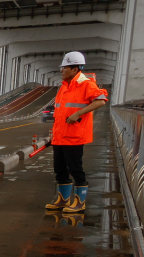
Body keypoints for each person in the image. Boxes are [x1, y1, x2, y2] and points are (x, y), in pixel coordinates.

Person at [45, 51, 108, 215]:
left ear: (75, 69)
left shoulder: (86, 84)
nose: (61, 70)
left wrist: (78, 114)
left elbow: (101, 100)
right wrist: (53, 135)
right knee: (60, 169)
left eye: (64, 68)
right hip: (60, 136)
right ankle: (63, 199)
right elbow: (60, 114)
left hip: (74, 136)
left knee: (75, 169)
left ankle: (79, 202)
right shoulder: (64, 87)